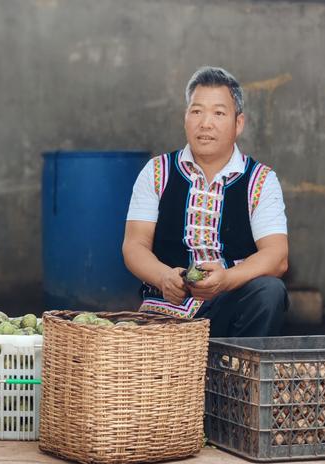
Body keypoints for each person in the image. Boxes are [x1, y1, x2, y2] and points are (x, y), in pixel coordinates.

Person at [122, 66, 289, 337]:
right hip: (167, 311)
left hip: (231, 306)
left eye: (219, 113)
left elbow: (277, 256)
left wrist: (226, 280)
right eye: (196, 111)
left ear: (239, 123)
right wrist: (164, 277)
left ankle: (239, 376)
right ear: (185, 118)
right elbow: (134, 245)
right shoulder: (157, 171)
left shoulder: (261, 180)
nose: (205, 123)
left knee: (270, 291)